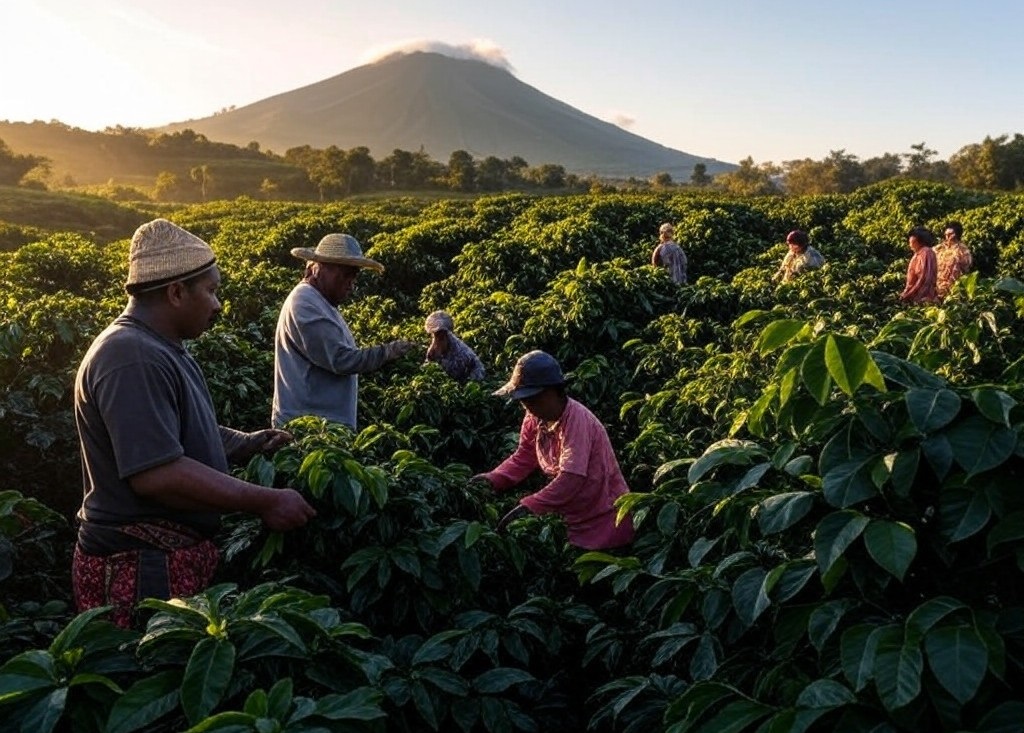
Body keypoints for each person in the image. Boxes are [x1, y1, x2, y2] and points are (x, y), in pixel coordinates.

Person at [73, 219, 316, 628]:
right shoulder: (130, 356)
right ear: (175, 292)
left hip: (162, 556)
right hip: (140, 565)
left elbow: (179, 435)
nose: (218, 304)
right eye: (211, 291)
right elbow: (157, 473)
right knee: (148, 682)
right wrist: (265, 500)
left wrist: (249, 443)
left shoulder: (161, 348)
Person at [472, 350, 635, 550]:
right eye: (524, 401)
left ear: (554, 392)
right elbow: (524, 456)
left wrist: (531, 505)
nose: (527, 406)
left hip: (604, 520)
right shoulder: (535, 417)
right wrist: (493, 479)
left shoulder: (576, 420)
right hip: (572, 519)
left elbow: (571, 478)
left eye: (532, 399)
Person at [273, 233, 415, 429]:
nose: (351, 283)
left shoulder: (319, 300)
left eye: (354, 275)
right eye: (345, 274)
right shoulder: (305, 303)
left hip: (322, 425)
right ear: (319, 269)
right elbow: (341, 359)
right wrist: (387, 352)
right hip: (308, 429)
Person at [424, 310, 486, 382]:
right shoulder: (434, 346)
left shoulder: (460, 352)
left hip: (472, 374)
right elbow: (428, 363)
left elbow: (454, 373)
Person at [934, 220, 972, 300]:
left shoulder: (963, 250)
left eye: (950, 234)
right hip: (937, 287)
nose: (947, 237)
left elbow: (966, 268)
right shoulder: (939, 248)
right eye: (946, 234)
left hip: (953, 289)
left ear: (957, 234)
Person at [900, 226, 939, 304]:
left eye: (912, 242)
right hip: (915, 295)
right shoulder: (918, 253)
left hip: (922, 297)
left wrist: (910, 294)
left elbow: (924, 278)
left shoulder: (926, 252)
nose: (910, 244)